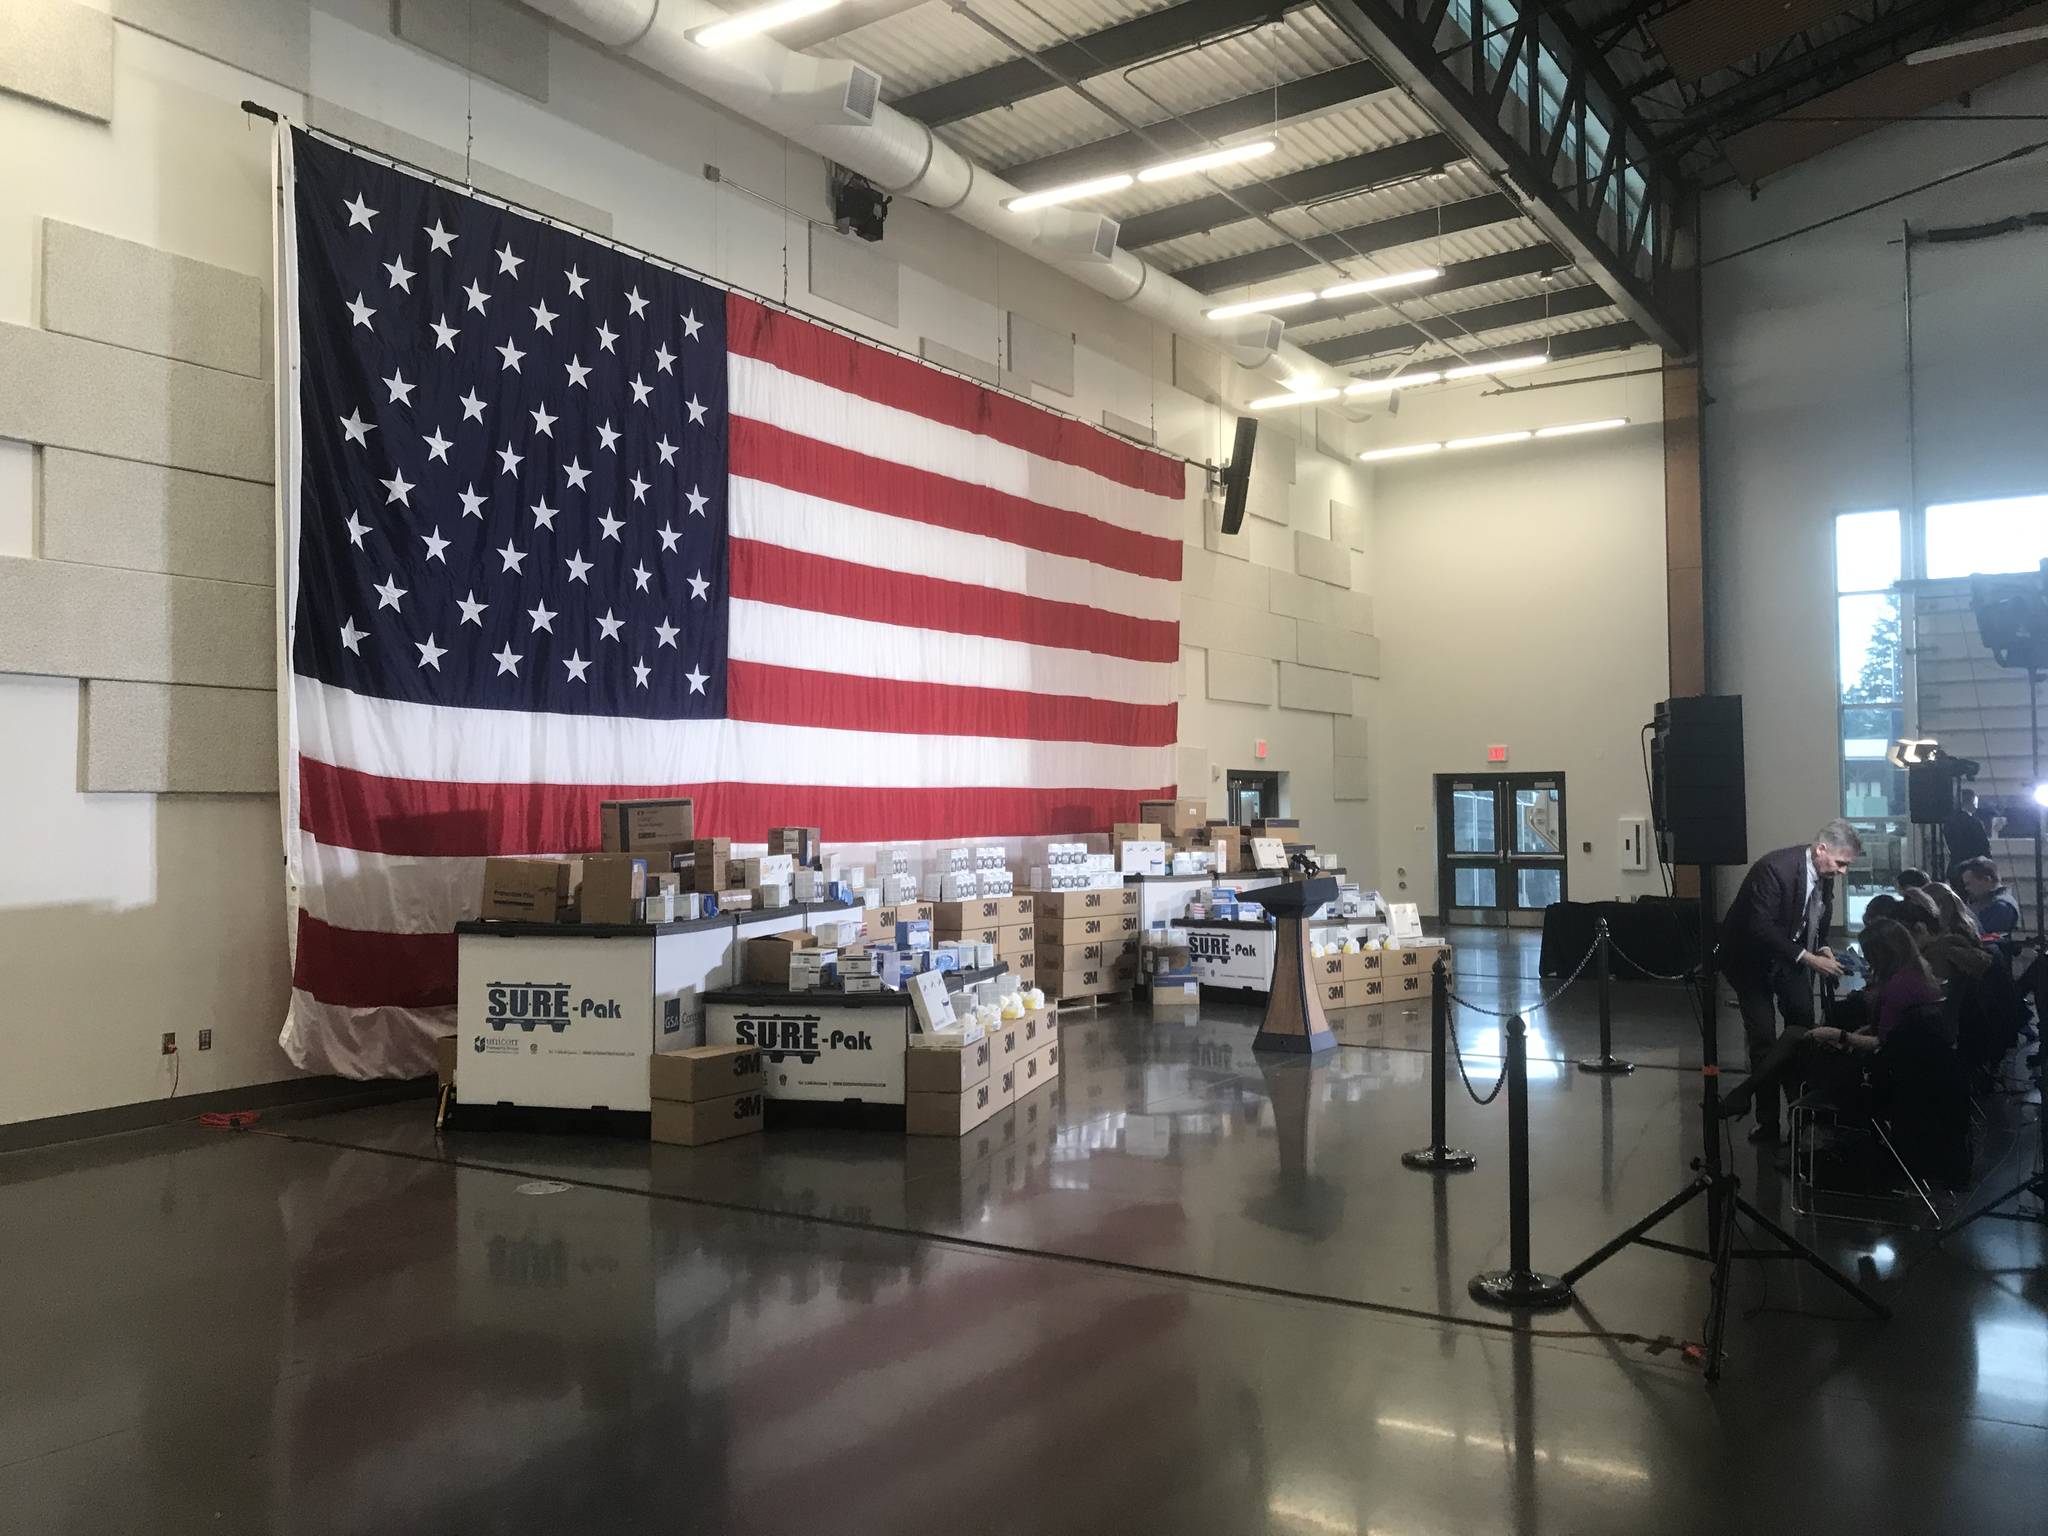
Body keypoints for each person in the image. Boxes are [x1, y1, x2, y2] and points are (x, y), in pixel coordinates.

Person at [1715, 818, 1863, 1143]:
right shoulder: (1774, 869)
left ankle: (1802, 1118)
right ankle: (1767, 1122)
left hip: (1789, 958)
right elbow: (1760, 927)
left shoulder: (1825, 874)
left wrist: (1822, 946)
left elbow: (1819, 914)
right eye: (1840, 864)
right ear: (1821, 849)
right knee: (1763, 1038)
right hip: (1750, 962)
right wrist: (1808, 958)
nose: (1842, 872)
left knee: (1803, 1034)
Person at [1717, 918, 1942, 1123]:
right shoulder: (1916, 975)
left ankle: (1754, 1099)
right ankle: (1760, 1103)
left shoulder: (1897, 988)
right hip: (1896, 1067)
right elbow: (1888, 1030)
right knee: (1794, 1038)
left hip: (1876, 1072)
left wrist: (1841, 1036)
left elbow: (1882, 1042)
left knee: (1792, 1046)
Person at [1956, 856, 2021, 938]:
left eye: (1969, 884)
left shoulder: (2001, 907)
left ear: (1987, 880)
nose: (1966, 888)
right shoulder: (1984, 902)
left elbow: (1984, 939)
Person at [1942, 790, 1991, 882]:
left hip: (1954, 868)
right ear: (1971, 801)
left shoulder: (1949, 822)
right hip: (1974, 871)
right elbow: (1984, 847)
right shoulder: (1974, 823)